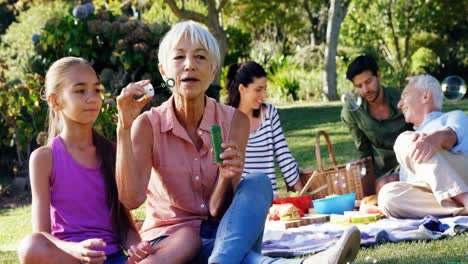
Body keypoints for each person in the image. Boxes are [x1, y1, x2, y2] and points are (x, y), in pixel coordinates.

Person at [116, 20, 361, 264]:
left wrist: (225, 177)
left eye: (200, 57)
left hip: (226, 233)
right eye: (179, 57)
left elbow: (217, 212)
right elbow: (131, 200)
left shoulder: (234, 121)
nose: (189, 65)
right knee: (242, 258)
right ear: (164, 71)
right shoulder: (147, 125)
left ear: (213, 71)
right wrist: (124, 128)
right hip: (170, 243)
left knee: (257, 182)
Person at [16, 57, 150, 264]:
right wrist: (76, 250)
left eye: (97, 90)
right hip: (68, 258)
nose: (92, 98)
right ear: (55, 101)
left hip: (111, 258)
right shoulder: (44, 158)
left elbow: (125, 226)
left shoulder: (112, 152)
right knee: (30, 246)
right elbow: (42, 234)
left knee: (177, 246)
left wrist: (137, 247)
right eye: (80, 91)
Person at [378, 74, 468, 218]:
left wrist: (436, 138)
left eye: (405, 95)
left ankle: (464, 198)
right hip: (437, 194)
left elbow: (453, 135)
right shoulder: (413, 137)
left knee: (403, 140)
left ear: (425, 96)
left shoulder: (452, 116)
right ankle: (460, 209)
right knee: (386, 196)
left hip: (463, 175)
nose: (399, 104)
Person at [225, 61, 304, 193]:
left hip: (270, 199)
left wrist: (303, 195)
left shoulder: (269, 113)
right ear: (242, 89)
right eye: (258, 89)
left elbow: (284, 157)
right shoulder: (225, 118)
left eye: (264, 89)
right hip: (240, 201)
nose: (264, 95)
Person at [341, 55, 413, 193]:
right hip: (383, 172)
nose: (365, 89)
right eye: (359, 86)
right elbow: (364, 151)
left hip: (411, 163)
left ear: (378, 76)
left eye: (368, 81)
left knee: (388, 187)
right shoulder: (353, 111)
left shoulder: (403, 98)